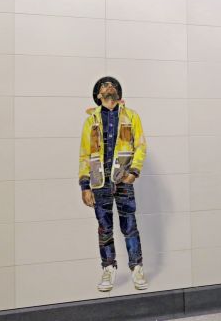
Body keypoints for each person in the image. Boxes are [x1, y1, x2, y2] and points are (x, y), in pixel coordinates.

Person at [79, 76, 149, 292]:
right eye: (104, 85)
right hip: (99, 183)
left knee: (130, 227)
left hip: (123, 181)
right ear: (99, 95)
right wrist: (85, 185)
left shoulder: (131, 116)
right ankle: (108, 268)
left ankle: (136, 267)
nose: (109, 86)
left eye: (112, 85)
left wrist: (133, 173)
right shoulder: (91, 121)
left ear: (118, 92)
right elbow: (85, 154)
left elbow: (141, 146)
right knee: (104, 228)